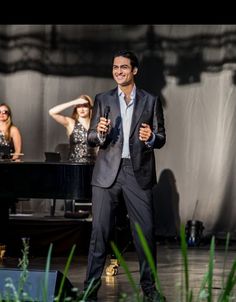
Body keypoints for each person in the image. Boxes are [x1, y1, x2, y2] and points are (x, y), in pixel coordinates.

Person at [82, 50, 166, 302]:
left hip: (137, 172)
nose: (119, 71)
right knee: (100, 233)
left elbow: (161, 138)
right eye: (115, 67)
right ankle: (89, 291)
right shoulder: (103, 99)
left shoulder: (150, 101)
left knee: (146, 233)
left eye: (124, 67)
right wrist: (99, 132)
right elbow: (91, 139)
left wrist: (150, 137)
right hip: (107, 173)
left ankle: (150, 290)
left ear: (135, 70)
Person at [49, 94, 97, 164]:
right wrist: (73, 102)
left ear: (90, 108)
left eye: (85, 106)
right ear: (76, 108)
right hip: (75, 165)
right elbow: (52, 112)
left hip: (93, 165)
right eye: (79, 106)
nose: (82, 109)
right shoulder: (71, 123)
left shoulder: (95, 124)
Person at [0, 103, 23, 248]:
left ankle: (3, 244)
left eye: (5, 112)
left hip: (6, 172)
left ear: (9, 114)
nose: (2, 114)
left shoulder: (13, 129)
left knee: (2, 210)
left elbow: (18, 153)